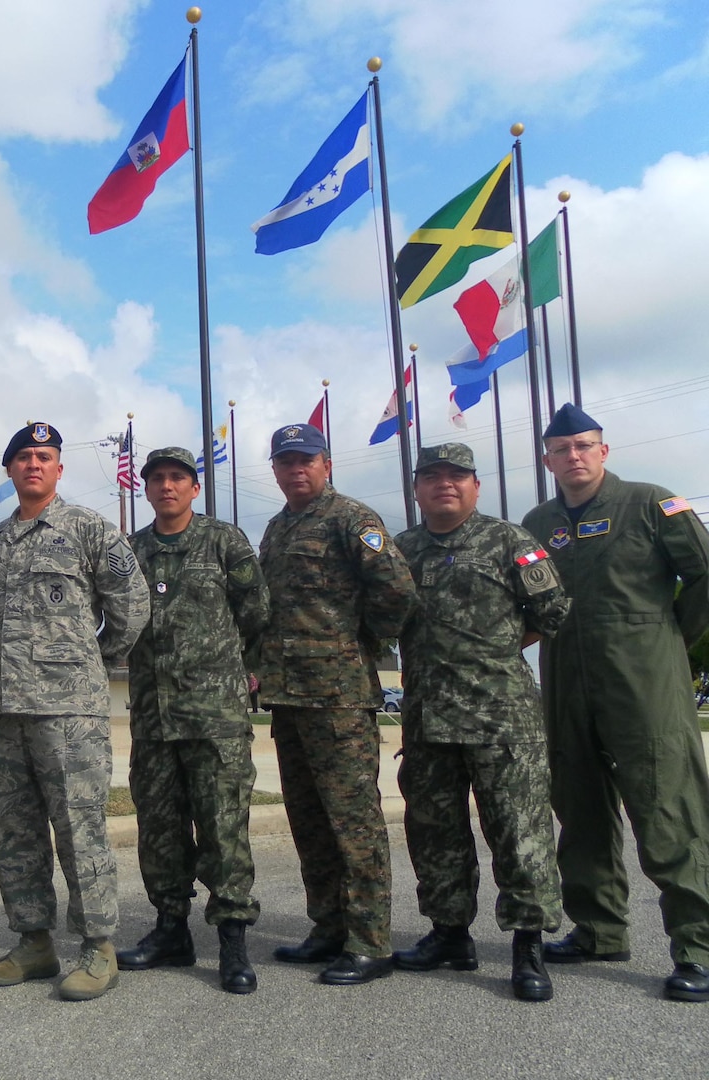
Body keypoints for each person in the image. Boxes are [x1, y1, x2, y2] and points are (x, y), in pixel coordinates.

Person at [523, 402, 709, 1003]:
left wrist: (670, 635)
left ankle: (699, 948)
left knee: (667, 809)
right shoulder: (538, 521)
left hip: (644, 683)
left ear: (604, 451)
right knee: (579, 808)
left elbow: (705, 572)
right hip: (566, 682)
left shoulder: (652, 504)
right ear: (547, 459)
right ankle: (599, 930)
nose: (573, 457)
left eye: (584, 446)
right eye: (561, 449)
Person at [0, 422, 150, 1001]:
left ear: (58, 468)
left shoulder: (88, 529)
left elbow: (132, 605)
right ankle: (32, 942)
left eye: (44, 457)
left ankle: (99, 947)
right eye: (23, 457)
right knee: (13, 831)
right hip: (6, 712)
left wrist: (93, 661)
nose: (33, 465)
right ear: (9, 469)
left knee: (80, 829)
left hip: (70, 712)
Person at [391, 443, 569, 1002]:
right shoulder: (402, 551)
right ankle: (449, 936)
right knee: (435, 836)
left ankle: (528, 947)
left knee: (520, 836)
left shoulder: (510, 541)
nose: (446, 484)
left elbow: (552, 612)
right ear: (417, 488)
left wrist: (490, 653)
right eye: (433, 477)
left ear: (476, 486)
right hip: (427, 719)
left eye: (457, 476)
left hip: (502, 719)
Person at [255, 422, 416, 985]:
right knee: (310, 821)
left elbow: (396, 587)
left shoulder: (353, 518)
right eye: (285, 461)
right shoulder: (276, 528)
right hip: (289, 695)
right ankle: (327, 926)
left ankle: (370, 940)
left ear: (326, 464)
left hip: (340, 697)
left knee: (353, 821)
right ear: (275, 470)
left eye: (306, 459)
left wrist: (365, 643)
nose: (296, 469)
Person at [116, 447, 271, 994]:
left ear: (194, 487)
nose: (166, 486)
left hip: (215, 719)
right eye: (156, 479)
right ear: (146, 488)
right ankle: (170, 929)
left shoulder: (225, 541)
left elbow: (256, 613)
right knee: (160, 830)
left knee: (224, 829)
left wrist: (226, 672)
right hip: (154, 720)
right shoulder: (130, 549)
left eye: (177, 477)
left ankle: (232, 940)